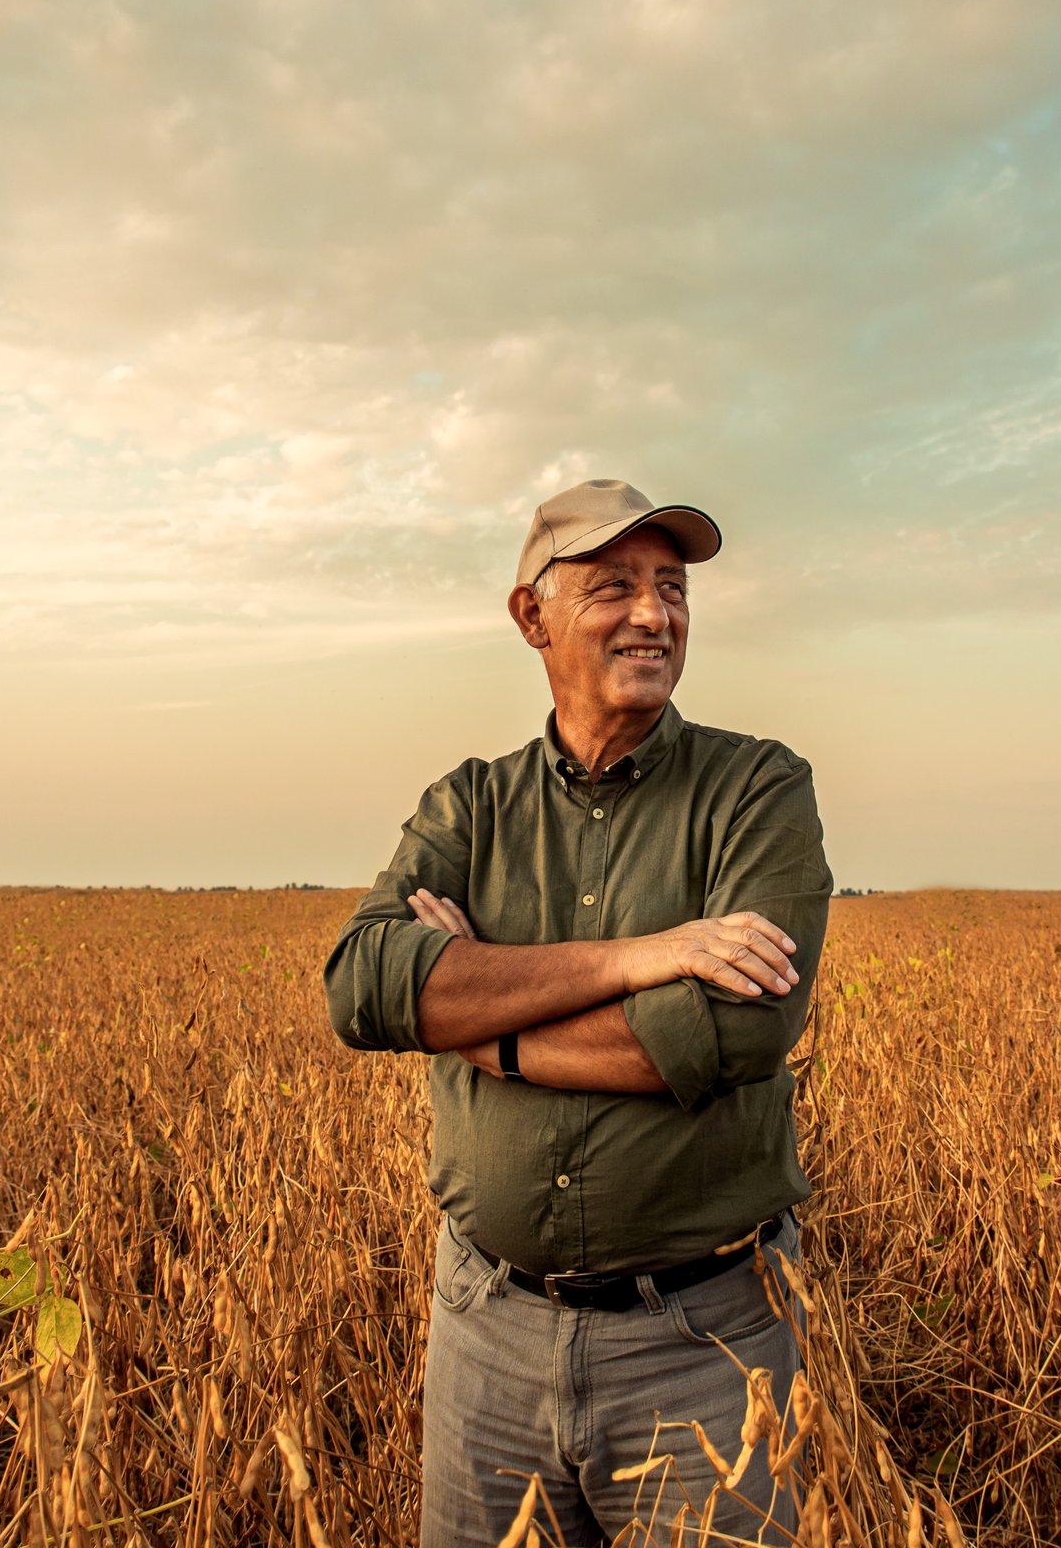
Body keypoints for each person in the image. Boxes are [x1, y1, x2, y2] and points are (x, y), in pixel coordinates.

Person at [323, 478, 832, 1545]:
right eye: (614, 587)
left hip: (706, 1343)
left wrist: (482, 1018)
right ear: (532, 616)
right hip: (487, 1336)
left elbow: (736, 1029)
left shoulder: (758, 791)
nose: (654, 613)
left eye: (671, 587)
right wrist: (644, 957)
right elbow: (365, 983)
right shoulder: (470, 805)